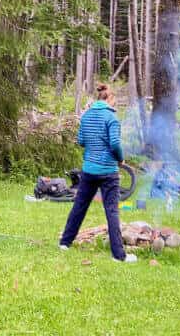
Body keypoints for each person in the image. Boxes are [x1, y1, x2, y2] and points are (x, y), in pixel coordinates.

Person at [58, 84, 136, 263]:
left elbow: (81, 140)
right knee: (112, 211)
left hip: (89, 170)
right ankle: (119, 255)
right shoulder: (112, 117)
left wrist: (94, 146)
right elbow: (115, 143)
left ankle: (65, 242)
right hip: (108, 171)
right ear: (109, 99)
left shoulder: (86, 116)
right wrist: (120, 158)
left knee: (79, 206)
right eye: (114, 101)